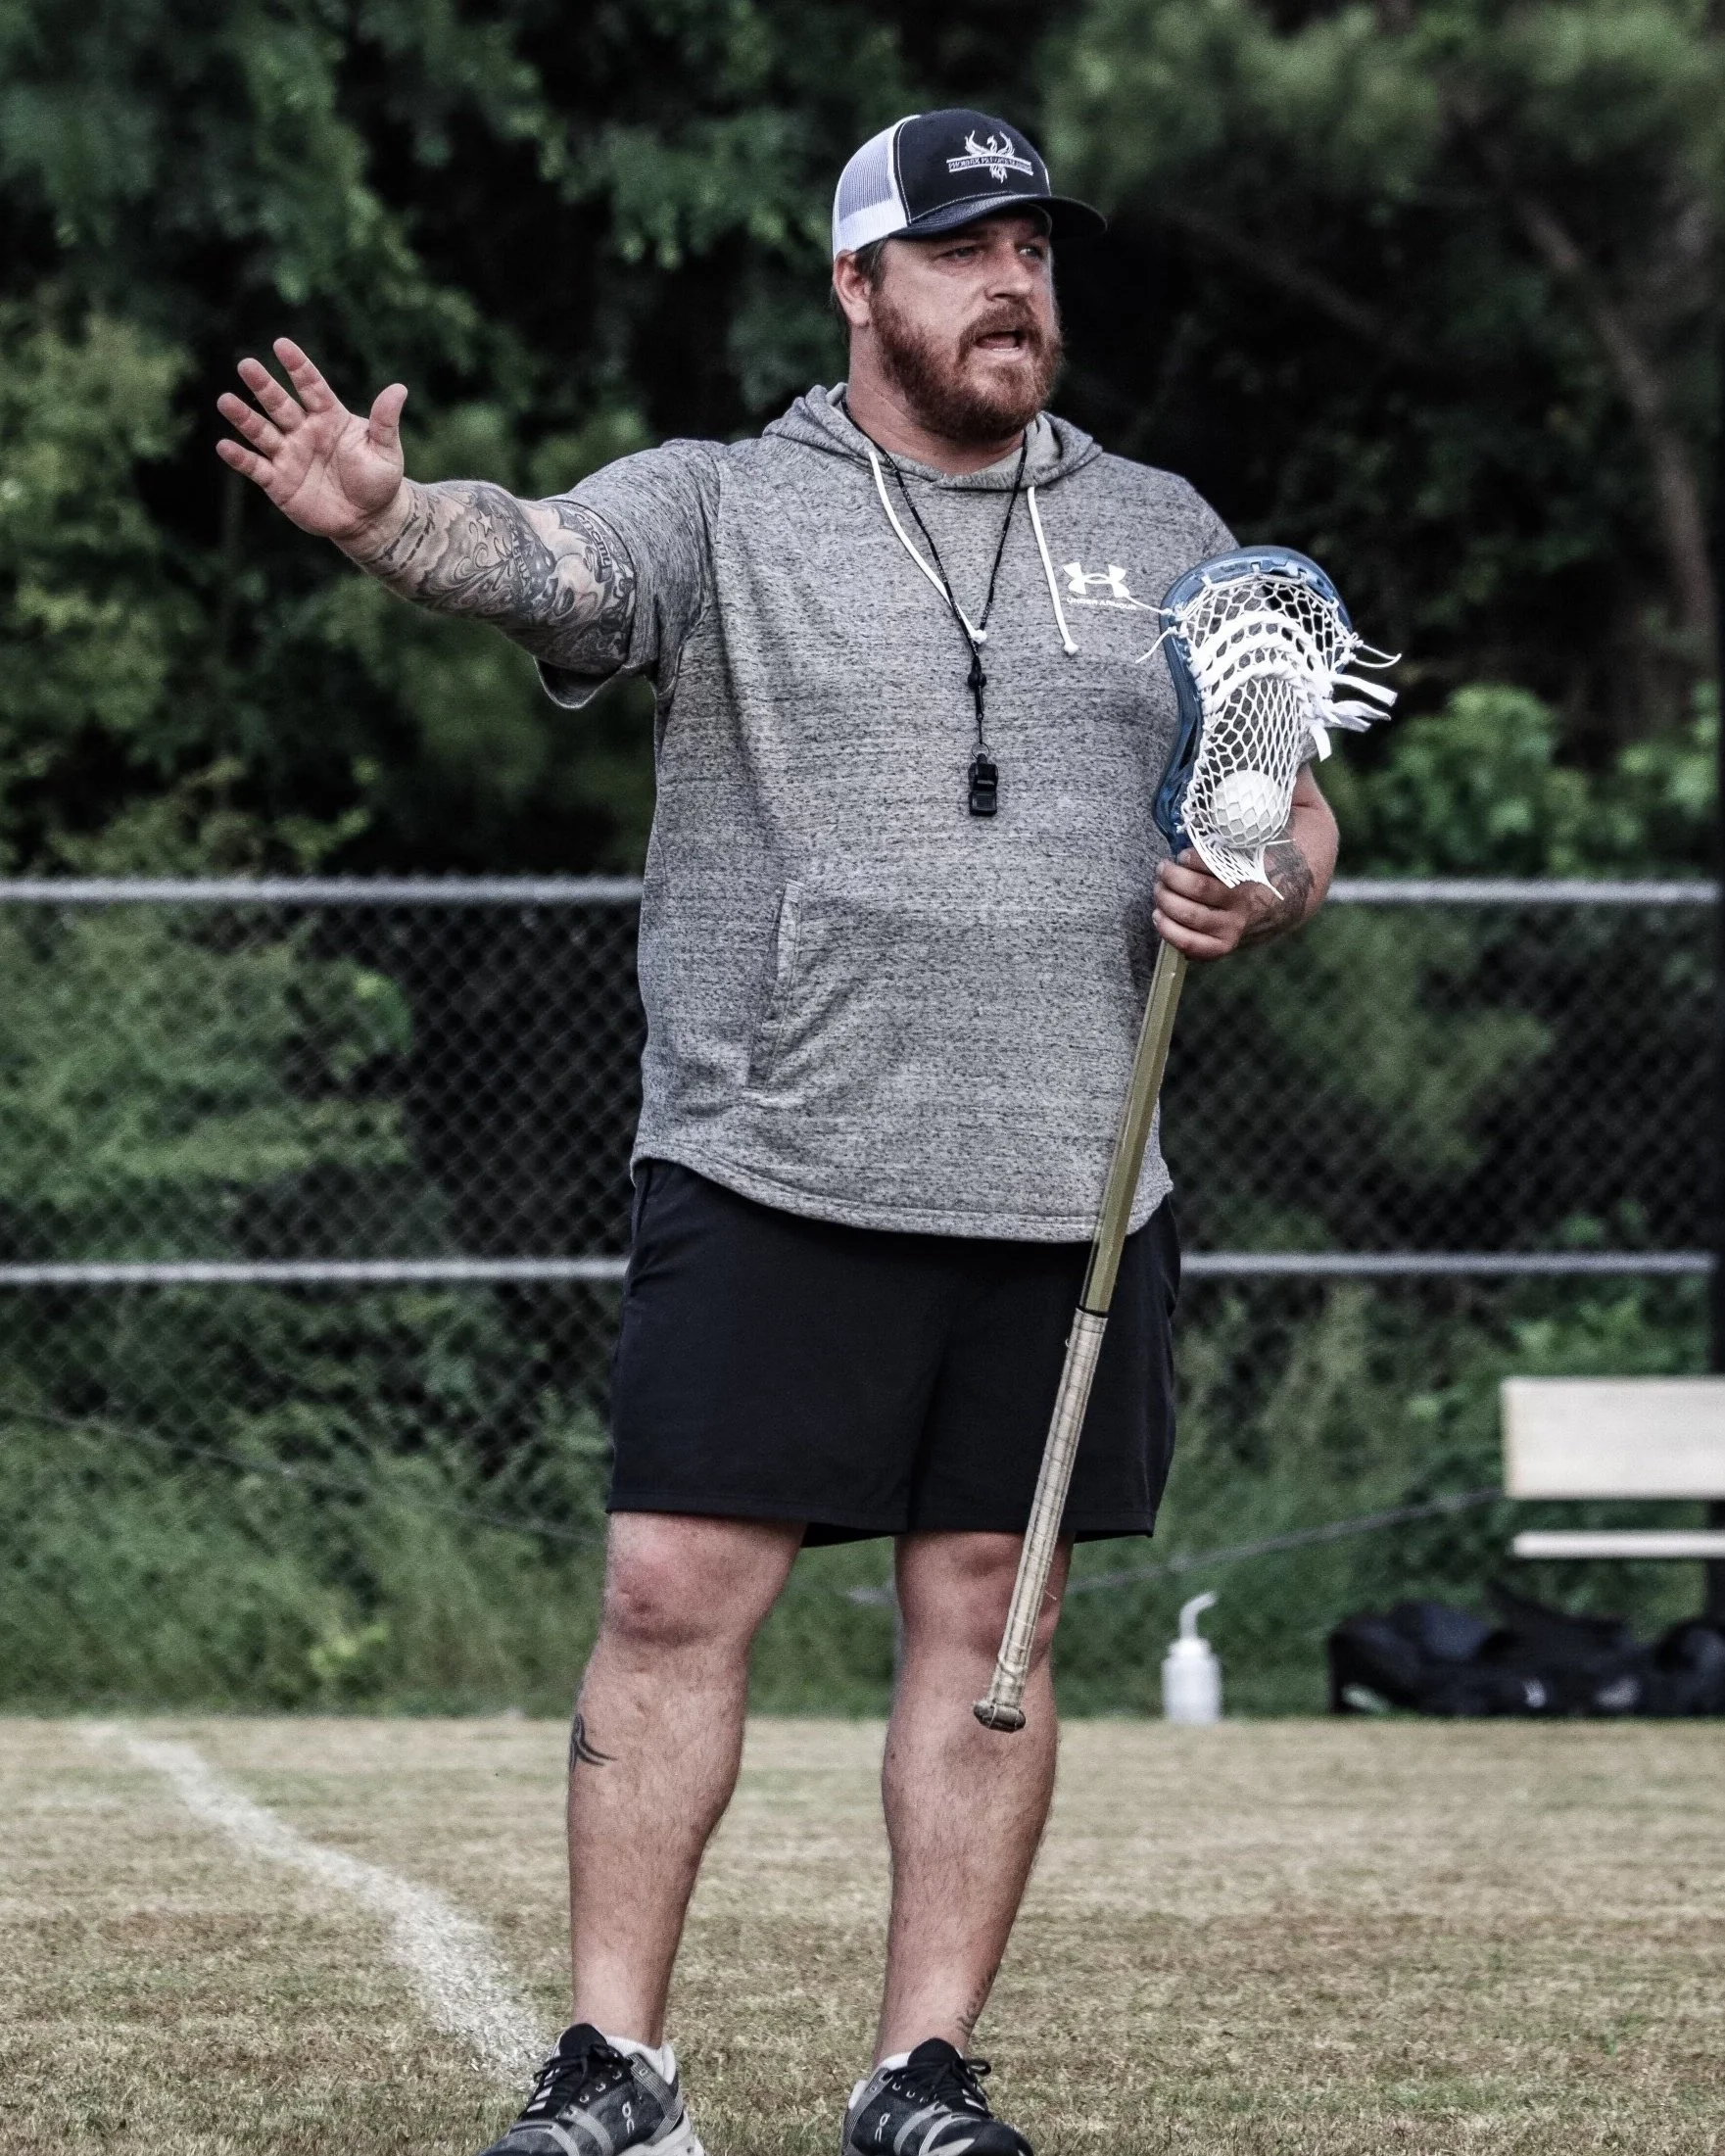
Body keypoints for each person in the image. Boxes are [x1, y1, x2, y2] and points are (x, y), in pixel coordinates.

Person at [217, 105, 1338, 2156]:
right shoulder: (730, 507)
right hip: (770, 1152)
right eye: (962, 250)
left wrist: (1261, 884)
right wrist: (388, 521)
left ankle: (920, 2068)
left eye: (1034, 250)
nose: (1014, 284)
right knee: (665, 1590)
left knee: (993, 1609)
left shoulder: (1166, 525)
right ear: (857, 286)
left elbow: (1288, 795)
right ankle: (614, 2063)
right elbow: (550, 555)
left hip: (1068, 1179)